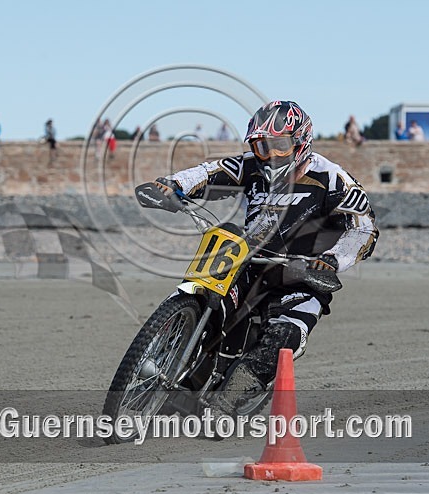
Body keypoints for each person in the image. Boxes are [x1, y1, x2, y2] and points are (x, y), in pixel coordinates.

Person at [151, 100, 378, 416]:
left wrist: (332, 260)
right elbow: (211, 171)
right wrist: (175, 184)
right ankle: (168, 358)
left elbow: (363, 228)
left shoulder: (332, 177)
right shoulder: (251, 166)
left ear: (300, 141)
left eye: (279, 145)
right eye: (261, 146)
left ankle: (227, 404)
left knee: (286, 335)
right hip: (248, 261)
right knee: (203, 296)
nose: (270, 154)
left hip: (303, 275)